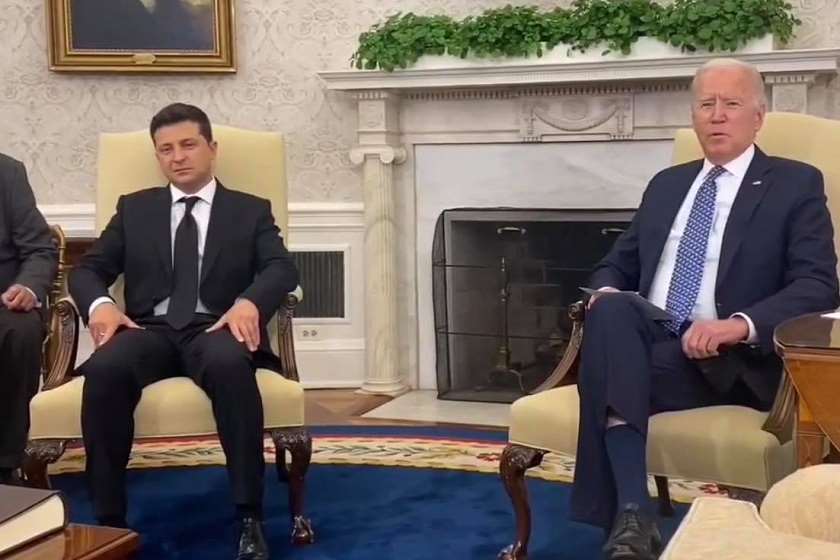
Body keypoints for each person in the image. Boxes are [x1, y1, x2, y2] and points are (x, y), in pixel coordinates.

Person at [572, 58, 840, 560]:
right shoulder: (667, 184)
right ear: (693, 115)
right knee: (608, 312)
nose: (717, 115)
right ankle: (635, 512)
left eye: (731, 104)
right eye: (706, 104)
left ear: (758, 116)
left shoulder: (794, 183)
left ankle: (627, 514)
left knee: (606, 369)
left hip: (728, 359)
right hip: (652, 338)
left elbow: (819, 286)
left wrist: (738, 326)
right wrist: (605, 291)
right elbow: (616, 264)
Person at [69, 103, 298, 560]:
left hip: (215, 327)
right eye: (166, 149)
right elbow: (88, 269)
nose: (177, 157)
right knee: (105, 369)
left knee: (231, 365)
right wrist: (102, 305)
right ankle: (109, 522)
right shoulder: (135, 209)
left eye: (188, 145)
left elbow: (281, 267)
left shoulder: (249, 210)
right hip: (147, 329)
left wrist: (249, 302)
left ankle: (249, 517)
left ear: (212, 148)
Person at [0, 154, 58, 486]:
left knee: (21, 329)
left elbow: (40, 249)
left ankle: (6, 463)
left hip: (4, 301)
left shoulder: (7, 173)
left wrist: (27, 286)